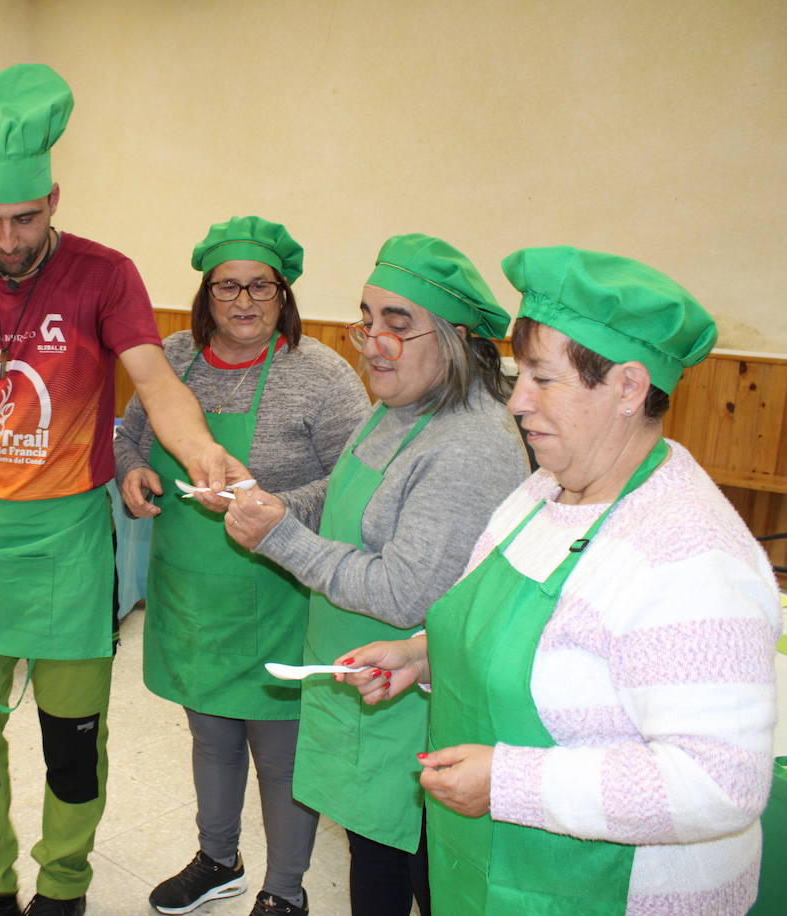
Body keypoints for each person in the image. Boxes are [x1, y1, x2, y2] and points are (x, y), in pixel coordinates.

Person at [0, 64, 242, 916]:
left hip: (71, 540)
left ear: (55, 199)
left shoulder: (105, 276)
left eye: (27, 217)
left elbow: (155, 382)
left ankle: (66, 884)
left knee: (72, 745)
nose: (8, 238)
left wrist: (203, 452)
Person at [336, 246, 781, 914]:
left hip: (614, 892)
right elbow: (531, 638)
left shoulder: (692, 555)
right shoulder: (544, 491)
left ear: (628, 387)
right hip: (492, 871)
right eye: (521, 375)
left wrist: (510, 781)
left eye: (543, 379)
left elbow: (719, 783)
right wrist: (423, 655)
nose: (516, 400)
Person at [223, 234, 530, 916]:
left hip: (417, 711)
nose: (371, 341)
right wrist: (282, 507)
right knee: (373, 855)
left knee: (411, 868)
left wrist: (283, 540)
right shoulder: (398, 406)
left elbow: (404, 593)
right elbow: (344, 499)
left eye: (397, 323)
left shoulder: (470, 443)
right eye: (367, 317)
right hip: (365, 689)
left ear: (455, 338)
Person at [114, 216, 369, 916]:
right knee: (211, 736)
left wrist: (276, 510)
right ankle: (218, 858)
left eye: (262, 285)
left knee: (280, 755)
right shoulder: (172, 360)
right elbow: (127, 433)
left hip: (278, 594)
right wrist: (133, 471)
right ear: (206, 294)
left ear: (284, 294)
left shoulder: (321, 375)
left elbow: (355, 481)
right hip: (192, 594)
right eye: (228, 285)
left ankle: (285, 893)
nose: (245, 300)